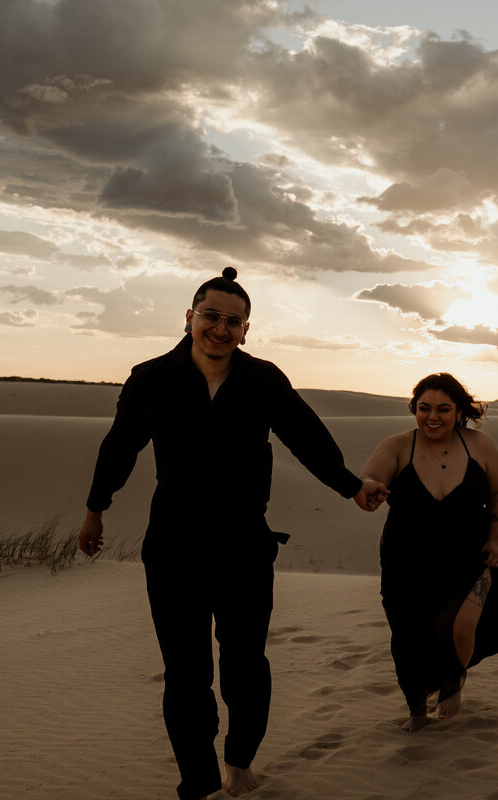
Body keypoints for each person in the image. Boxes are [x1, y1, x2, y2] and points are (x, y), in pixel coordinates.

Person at [78, 267, 387, 800]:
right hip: (174, 548)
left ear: (247, 330)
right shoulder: (151, 378)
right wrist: (95, 508)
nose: (220, 329)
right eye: (211, 316)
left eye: (233, 321)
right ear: (190, 318)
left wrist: (350, 487)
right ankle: (197, 782)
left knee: (245, 665)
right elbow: (119, 447)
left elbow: (307, 438)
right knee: (186, 672)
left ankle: (240, 758)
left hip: (244, 546)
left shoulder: (263, 380)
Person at [359, 373, 498, 732]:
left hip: (468, 558)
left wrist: (494, 539)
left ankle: (452, 682)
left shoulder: (481, 447)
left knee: (458, 626)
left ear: (459, 410)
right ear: (414, 409)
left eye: (443, 409)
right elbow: (370, 478)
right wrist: (368, 489)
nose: (433, 416)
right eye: (424, 408)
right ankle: (416, 710)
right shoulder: (397, 447)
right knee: (409, 638)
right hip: (406, 564)